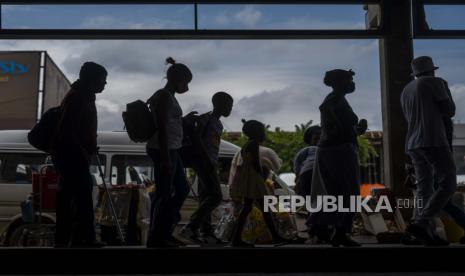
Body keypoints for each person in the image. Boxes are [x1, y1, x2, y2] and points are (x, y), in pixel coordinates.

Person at [401, 56, 457, 246]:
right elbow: (449, 111)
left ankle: (422, 233)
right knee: (448, 184)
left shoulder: (406, 90)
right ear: (433, 70)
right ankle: (422, 222)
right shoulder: (436, 83)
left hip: (413, 143)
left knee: (424, 188)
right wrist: (446, 89)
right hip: (433, 139)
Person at [308, 69, 367, 247]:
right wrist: (351, 129)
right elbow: (334, 123)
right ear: (340, 82)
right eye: (349, 80)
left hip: (333, 149)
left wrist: (356, 130)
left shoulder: (336, 100)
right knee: (349, 191)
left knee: (337, 191)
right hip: (339, 150)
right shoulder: (334, 100)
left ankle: (335, 230)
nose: (353, 83)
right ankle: (340, 232)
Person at [52, 61, 107, 248]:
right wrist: (84, 149)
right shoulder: (78, 98)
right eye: (102, 80)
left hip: (72, 156)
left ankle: (73, 239)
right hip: (73, 157)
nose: (104, 84)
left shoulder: (82, 95)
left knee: (73, 199)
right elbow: (67, 130)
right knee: (81, 198)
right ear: (91, 79)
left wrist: (89, 145)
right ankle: (84, 239)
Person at [146, 57, 193, 247]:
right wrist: (165, 156)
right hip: (164, 150)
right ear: (177, 79)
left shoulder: (168, 96)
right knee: (164, 194)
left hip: (172, 149)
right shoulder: (164, 96)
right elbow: (162, 127)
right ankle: (157, 237)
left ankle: (164, 231)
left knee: (180, 189)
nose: (187, 87)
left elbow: (171, 123)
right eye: (186, 82)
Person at [180, 92, 234, 242]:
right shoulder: (206, 119)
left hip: (209, 162)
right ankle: (191, 227)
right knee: (216, 196)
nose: (230, 108)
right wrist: (206, 160)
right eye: (229, 105)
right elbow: (197, 139)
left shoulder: (217, 123)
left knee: (206, 196)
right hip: (204, 162)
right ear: (219, 104)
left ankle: (206, 232)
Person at [229, 119, 287, 247]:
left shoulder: (247, 144)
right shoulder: (254, 144)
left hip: (249, 178)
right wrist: (261, 176)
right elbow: (256, 163)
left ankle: (236, 239)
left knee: (249, 208)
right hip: (254, 179)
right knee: (263, 208)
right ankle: (276, 237)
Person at [293, 125, 321, 197]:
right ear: (310, 140)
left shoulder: (327, 150)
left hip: (308, 173)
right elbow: (297, 163)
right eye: (316, 138)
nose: (319, 141)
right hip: (308, 173)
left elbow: (297, 164)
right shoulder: (307, 150)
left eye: (321, 138)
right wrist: (298, 176)